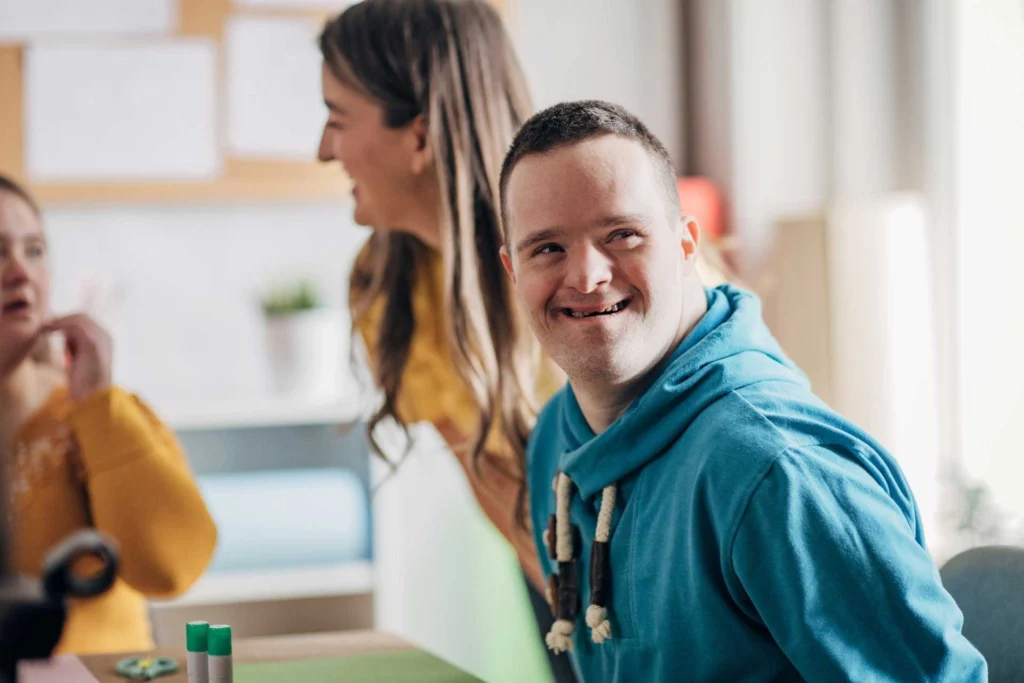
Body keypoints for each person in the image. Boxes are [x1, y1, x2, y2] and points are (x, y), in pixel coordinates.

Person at [498, 101, 988, 681]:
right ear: (512, 268)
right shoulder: (557, 437)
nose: (586, 276)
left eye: (622, 234)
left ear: (686, 247)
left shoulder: (779, 472)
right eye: (548, 248)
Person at [315, 2, 574, 680]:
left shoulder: (593, 254)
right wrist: (579, 616)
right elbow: (493, 483)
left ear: (421, 135)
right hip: (562, 576)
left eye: (338, 119)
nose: (322, 149)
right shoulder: (386, 288)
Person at [0, 175, 217, 655]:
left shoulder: (93, 412)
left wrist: (97, 406)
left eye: (34, 250)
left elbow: (173, 568)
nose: (20, 272)